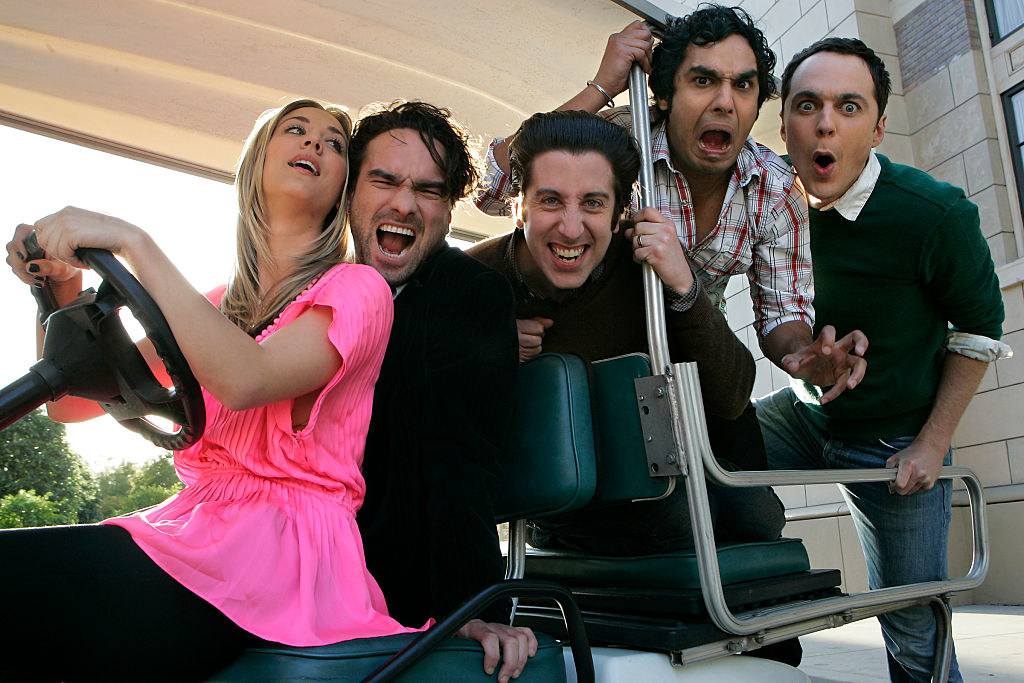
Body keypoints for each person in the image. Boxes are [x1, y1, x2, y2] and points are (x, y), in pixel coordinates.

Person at [0, 99, 423, 681]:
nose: (315, 143)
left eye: (334, 143)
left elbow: (246, 379)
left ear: (342, 189)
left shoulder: (359, 289)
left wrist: (132, 241)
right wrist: (60, 290)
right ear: (255, 165)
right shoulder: (216, 306)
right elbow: (70, 405)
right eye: (295, 130)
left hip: (283, 553)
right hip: (195, 526)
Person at [756, 38, 1011, 682]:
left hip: (896, 436)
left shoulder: (934, 214)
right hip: (808, 415)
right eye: (807, 104)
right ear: (783, 120)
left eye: (848, 106)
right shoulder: (767, 200)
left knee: (911, 628)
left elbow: (980, 329)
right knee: (695, 455)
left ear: (877, 126)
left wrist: (932, 444)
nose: (824, 122)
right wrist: (805, 362)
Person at [476, 4, 865, 397]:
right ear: (663, 95)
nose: (725, 103)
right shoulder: (621, 139)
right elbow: (492, 191)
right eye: (703, 80)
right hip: (587, 350)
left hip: (691, 356)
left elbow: (784, 313)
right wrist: (601, 88)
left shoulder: (777, 190)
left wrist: (802, 355)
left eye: (743, 86)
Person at [467, 110, 786, 555]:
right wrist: (485, 346)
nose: (571, 228)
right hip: (556, 488)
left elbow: (733, 395)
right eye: (551, 201)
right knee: (682, 516)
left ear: (619, 215)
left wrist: (684, 287)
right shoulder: (473, 280)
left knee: (757, 513)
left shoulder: (647, 266)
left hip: (656, 470)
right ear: (519, 207)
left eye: (593, 204)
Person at [348, 101, 536, 683]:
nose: (404, 203)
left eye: (428, 191)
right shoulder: (310, 281)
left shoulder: (468, 296)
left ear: (449, 212)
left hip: (382, 584)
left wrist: (471, 606)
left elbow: (461, 459)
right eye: (384, 180)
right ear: (349, 190)